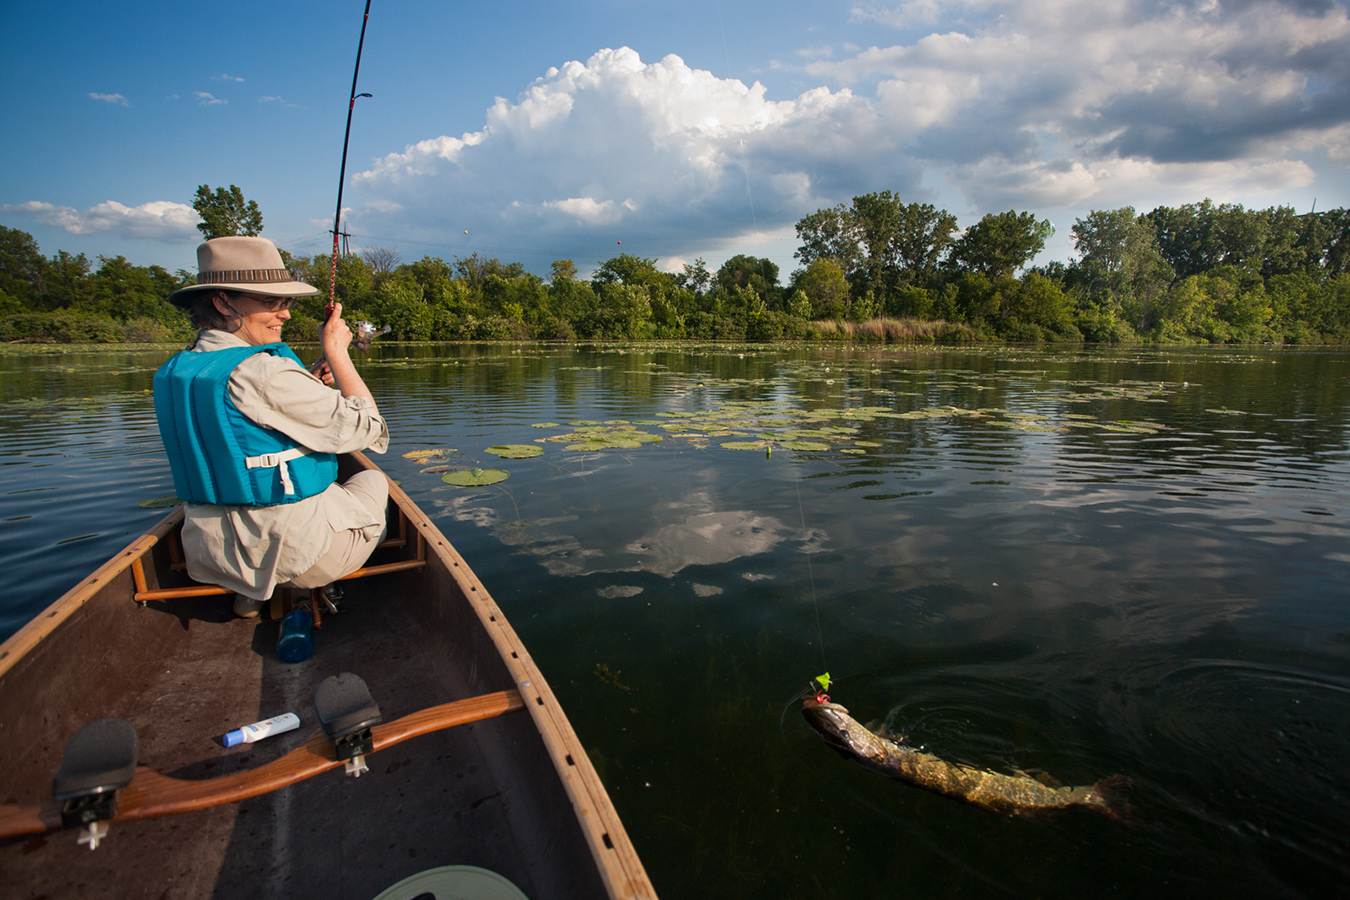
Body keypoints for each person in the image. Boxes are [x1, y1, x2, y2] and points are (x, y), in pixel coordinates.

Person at [154, 236, 389, 617]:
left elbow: (239, 427)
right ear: (222, 302)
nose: (286, 314)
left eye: (286, 303)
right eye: (271, 302)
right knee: (373, 480)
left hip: (213, 557)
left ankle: (250, 592)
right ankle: (303, 583)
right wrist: (338, 354)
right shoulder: (265, 371)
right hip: (300, 558)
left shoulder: (180, 369)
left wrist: (309, 379)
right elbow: (369, 429)